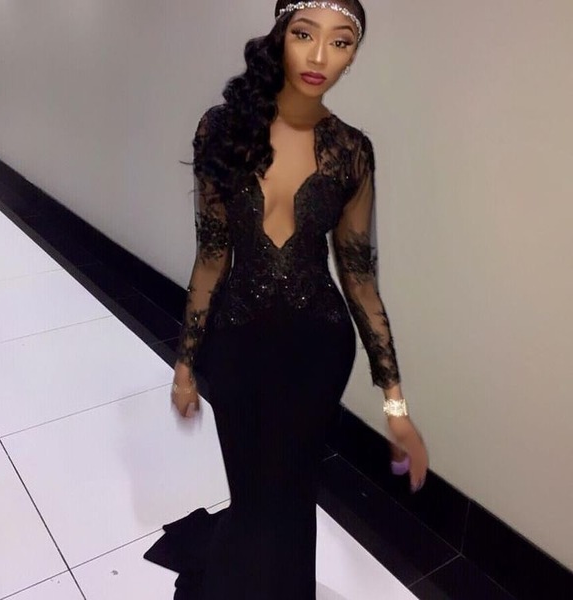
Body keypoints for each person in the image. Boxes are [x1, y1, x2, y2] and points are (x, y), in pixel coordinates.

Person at [145, 2, 428, 598]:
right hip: (234, 343)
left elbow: (360, 279)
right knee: (252, 493)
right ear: (280, 37)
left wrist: (396, 406)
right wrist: (186, 363)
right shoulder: (221, 129)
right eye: (304, 34)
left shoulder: (352, 150)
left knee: (295, 492)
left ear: (353, 56)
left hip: (316, 351)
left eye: (341, 42)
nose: (320, 56)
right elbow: (211, 256)